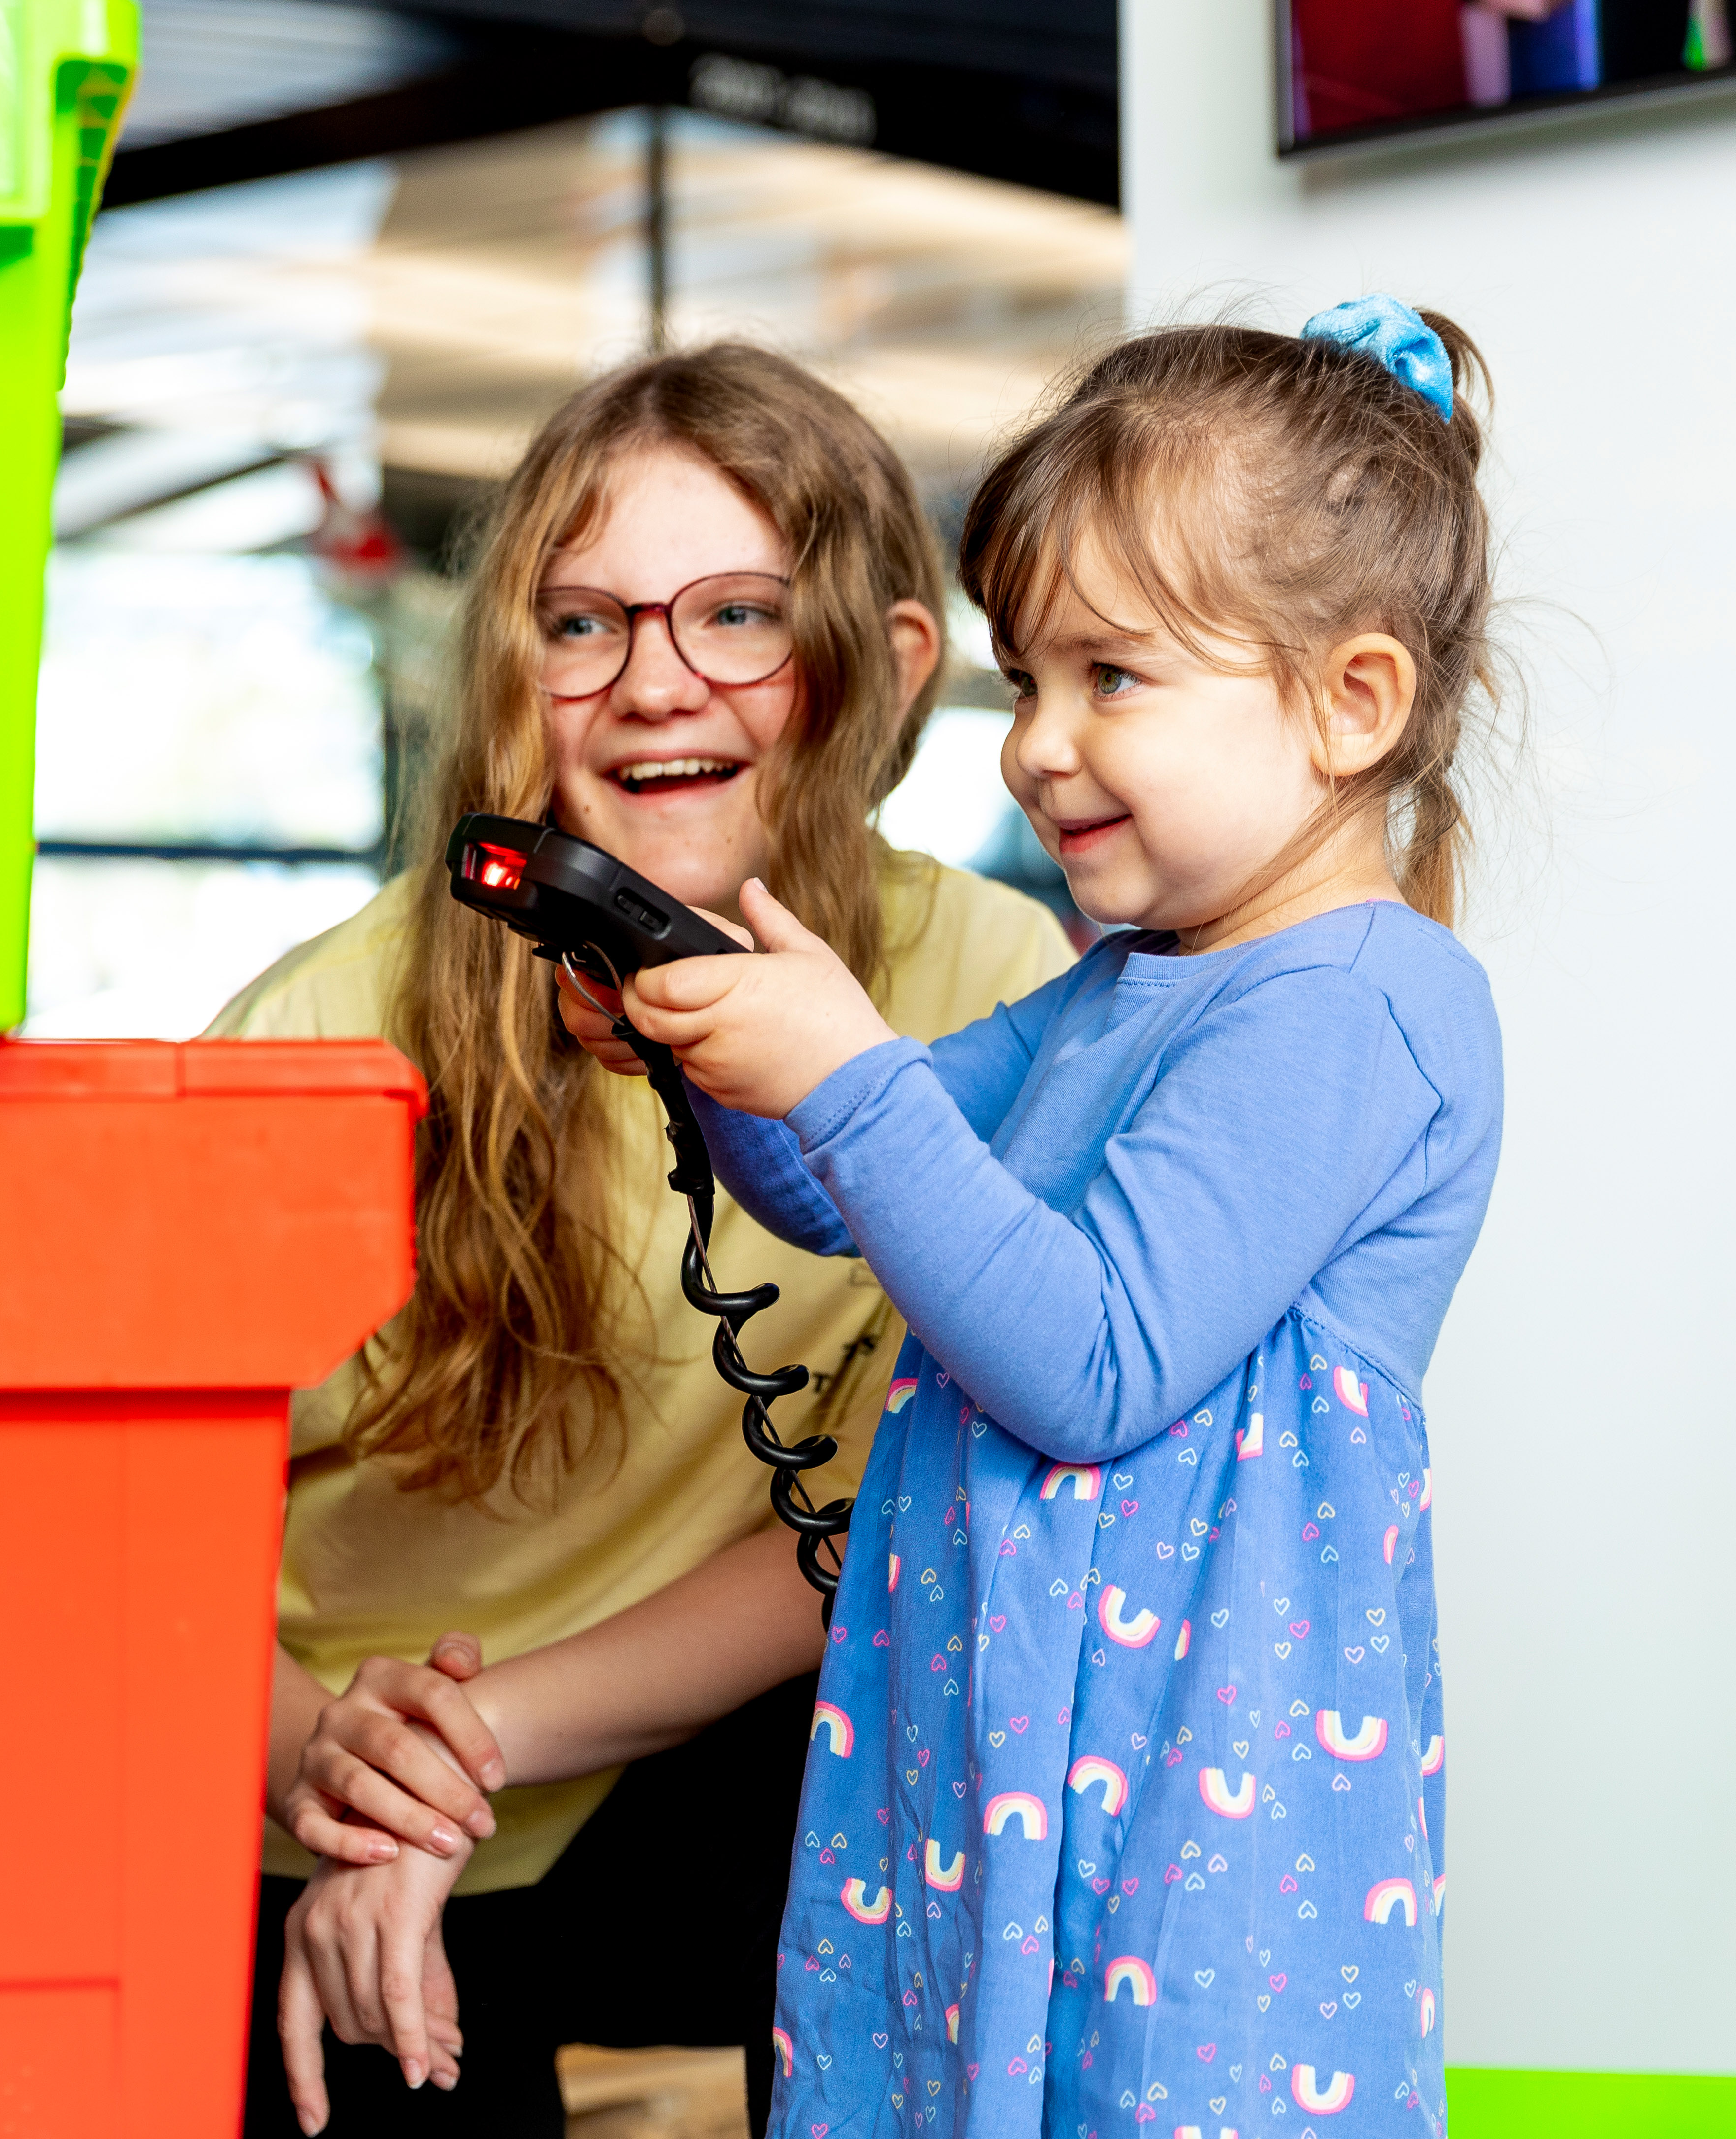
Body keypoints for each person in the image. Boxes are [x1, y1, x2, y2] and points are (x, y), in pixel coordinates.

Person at [560, 299, 1508, 2137]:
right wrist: (719, 1049)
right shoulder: (1115, 987)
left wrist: (842, 1066)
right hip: (993, 1772)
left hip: (1187, 1822)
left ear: (1350, 701)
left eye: (1110, 678)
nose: (1034, 746)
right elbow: (841, 1184)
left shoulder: (1361, 1002)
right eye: (1025, 680)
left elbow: (1092, 1359)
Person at [206, 343, 1077, 2138]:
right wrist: (342, 1785)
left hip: (657, 1778)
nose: (652, 681)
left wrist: (465, 1758)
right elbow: (98, 1539)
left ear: (888, 664)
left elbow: (872, 1521)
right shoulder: (323, 1031)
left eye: (737, 614)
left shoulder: (993, 984)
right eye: (581, 623)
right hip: (302, 1772)